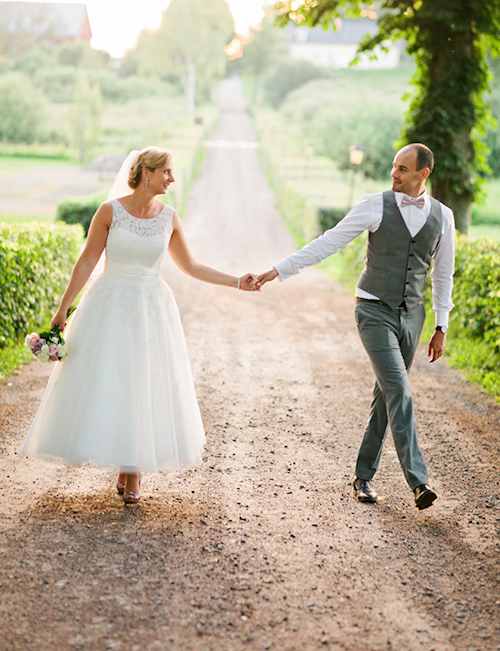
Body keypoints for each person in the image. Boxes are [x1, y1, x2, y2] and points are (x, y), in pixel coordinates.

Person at [22, 147, 259, 504]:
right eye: (167, 171)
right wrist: (62, 309)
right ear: (145, 173)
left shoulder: (169, 217)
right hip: (109, 303)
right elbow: (87, 262)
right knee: (112, 380)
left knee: (144, 381)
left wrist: (238, 281)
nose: (172, 179)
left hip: (151, 306)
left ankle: (132, 471)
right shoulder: (109, 212)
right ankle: (123, 461)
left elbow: (191, 266)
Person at [257, 143, 454, 511]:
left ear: (423, 174)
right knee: (399, 389)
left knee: (387, 395)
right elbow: (330, 241)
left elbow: (443, 275)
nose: (393, 173)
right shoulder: (375, 204)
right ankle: (419, 480)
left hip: (413, 315)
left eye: (402, 169)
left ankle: (363, 477)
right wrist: (279, 269)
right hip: (373, 310)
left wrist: (441, 325)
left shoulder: (443, 216)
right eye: (394, 166)